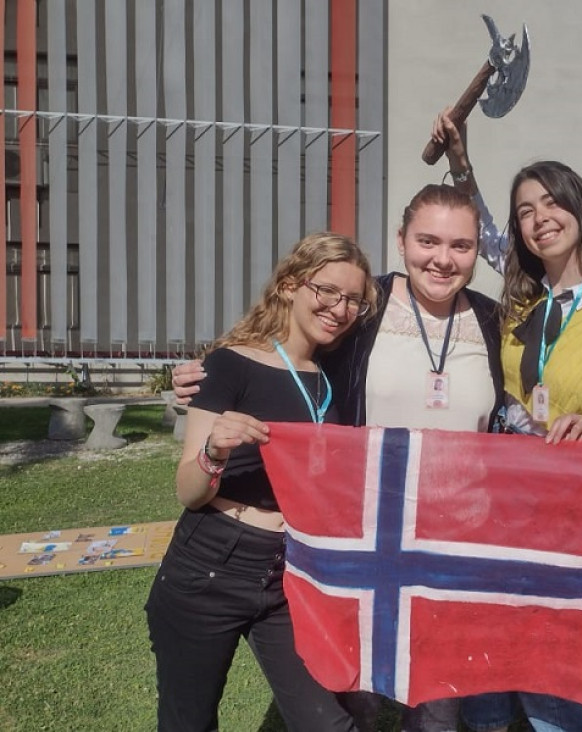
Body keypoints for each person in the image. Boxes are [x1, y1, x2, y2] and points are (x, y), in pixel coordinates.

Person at [172, 183, 505, 732]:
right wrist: (205, 380)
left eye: (461, 245)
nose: (442, 259)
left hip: (452, 540)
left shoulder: (493, 321)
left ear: (476, 251)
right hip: (364, 536)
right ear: (401, 242)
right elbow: (284, 338)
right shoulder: (362, 306)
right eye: (427, 240)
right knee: (357, 693)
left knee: (438, 700)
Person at [433, 125, 582, 727]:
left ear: (581, 208)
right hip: (503, 498)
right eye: (526, 211)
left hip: (575, 504)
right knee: (489, 636)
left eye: (553, 202)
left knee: (548, 649)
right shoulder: (523, 305)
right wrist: (461, 163)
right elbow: (484, 236)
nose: (540, 218)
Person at [145, 233, 378, 731]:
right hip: (211, 565)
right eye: (327, 291)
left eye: (353, 299)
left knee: (328, 723)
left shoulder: (331, 371)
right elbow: (188, 490)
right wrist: (213, 451)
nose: (340, 308)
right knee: (188, 722)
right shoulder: (231, 363)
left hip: (290, 571)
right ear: (292, 285)